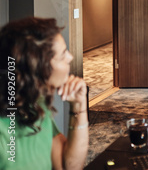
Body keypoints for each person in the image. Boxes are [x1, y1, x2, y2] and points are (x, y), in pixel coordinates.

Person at [0, 17, 89, 169]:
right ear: (37, 68)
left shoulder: (37, 106)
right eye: (62, 55)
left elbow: (69, 166)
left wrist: (79, 106)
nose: (70, 57)